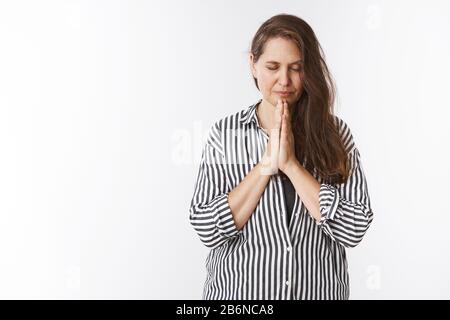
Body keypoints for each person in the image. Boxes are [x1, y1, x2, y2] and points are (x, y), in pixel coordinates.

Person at [188, 13, 374, 300]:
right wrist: (266, 165)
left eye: (296, 68)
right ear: (253, 64)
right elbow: (207, 229)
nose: (284, 80)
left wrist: (291, 165)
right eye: (272, 67)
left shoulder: (336, 134)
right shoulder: (224, 135)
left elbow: (354, 229)